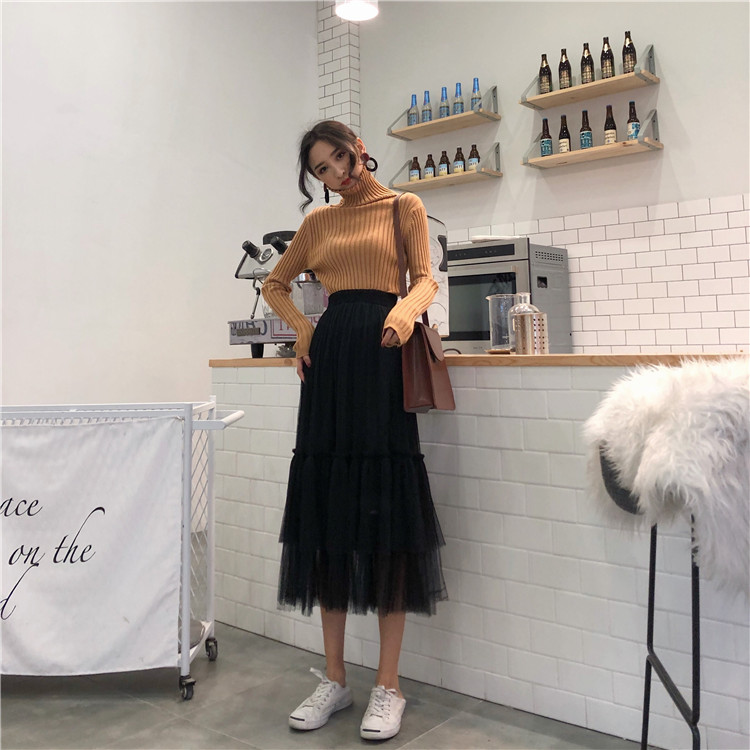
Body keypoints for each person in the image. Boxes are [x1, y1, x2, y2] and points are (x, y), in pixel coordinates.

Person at [261, 120, 447, 741]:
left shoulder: (403, 207)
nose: (337, 173)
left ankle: (388, 686)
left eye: (339, 158)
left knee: (388, 515)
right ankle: (336, 678)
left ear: (359, 148)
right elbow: (274, 283)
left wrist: (403, 314)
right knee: (329, 514)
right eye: (322, 169)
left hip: (384, 357)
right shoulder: (318, 223)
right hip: (332, 361)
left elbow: (425, 278)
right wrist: (302, 330)